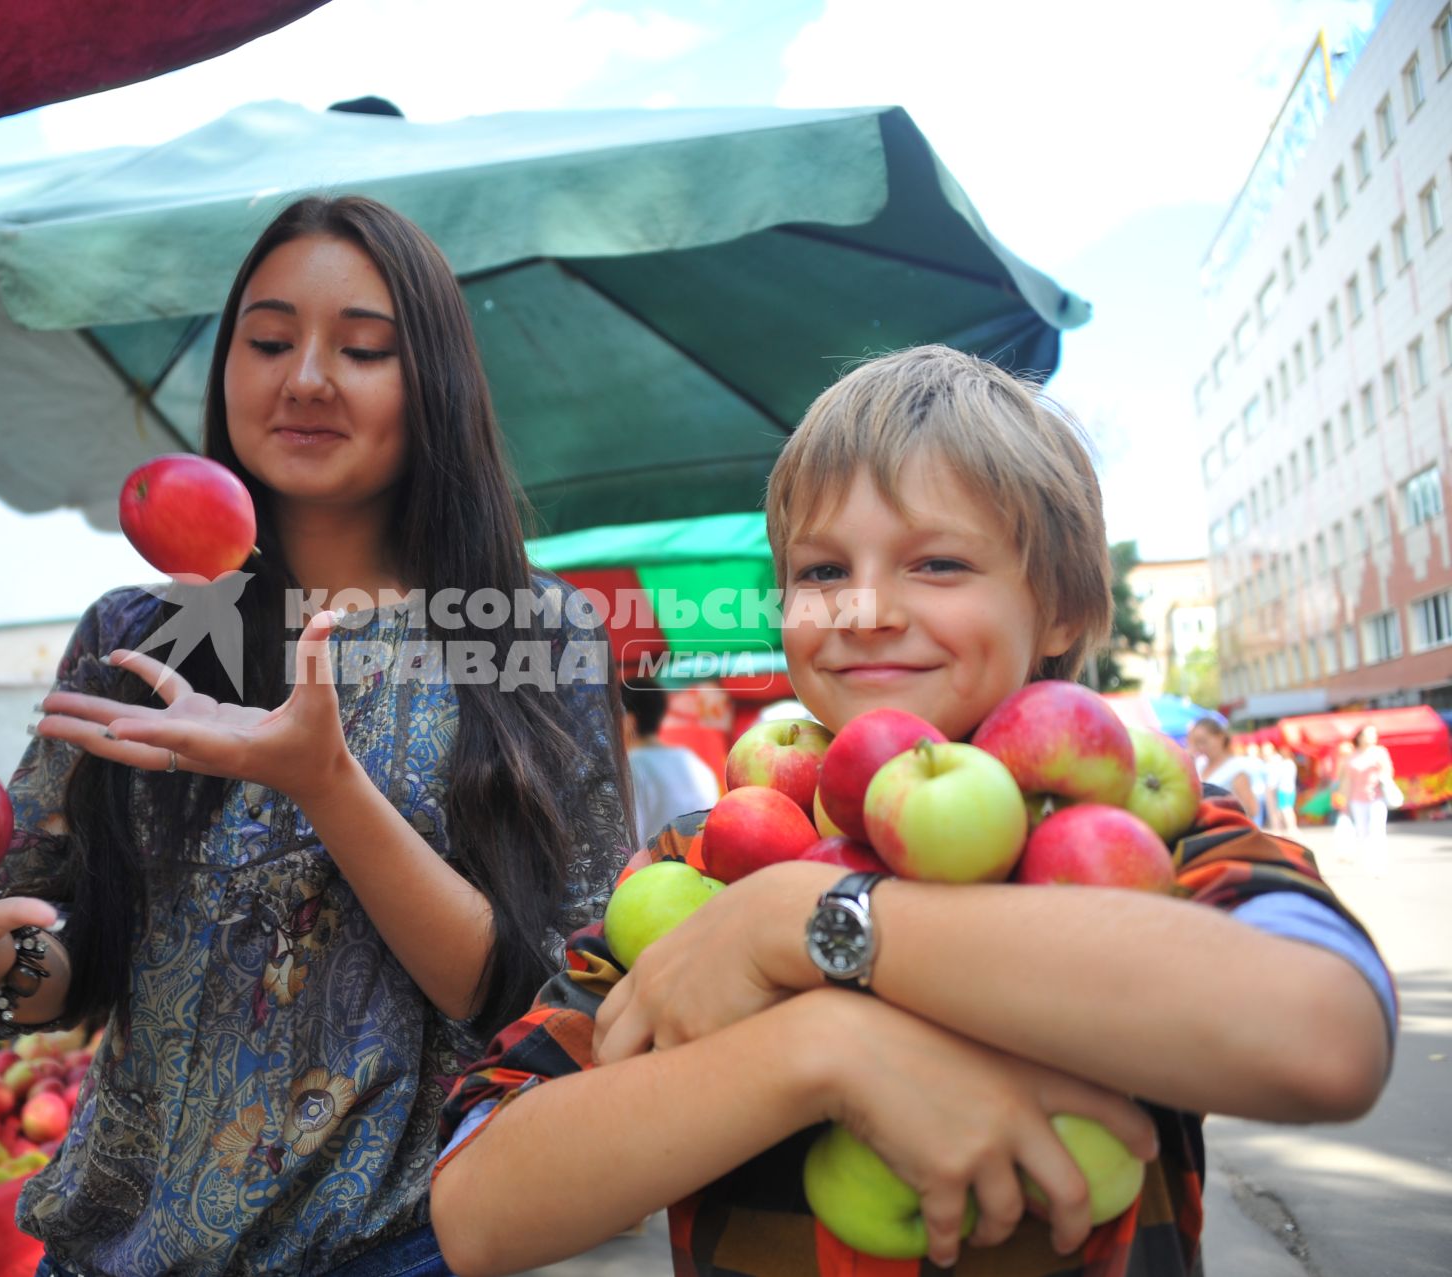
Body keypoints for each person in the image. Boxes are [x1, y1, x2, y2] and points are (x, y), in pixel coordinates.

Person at [0, 195, 633, 1276]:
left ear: (434, 379)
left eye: (365, 348)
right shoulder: (137, 635)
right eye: (270, 340)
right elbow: (70, 954)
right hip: (115, 1249)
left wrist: (326, 782)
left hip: (400, 1250)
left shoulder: (534, 634)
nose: (305, 379)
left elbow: (553, 997)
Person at [428, 346, 1394, 1277]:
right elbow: (476, 1210)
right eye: (821, 572)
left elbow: (1327, 1038)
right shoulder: (712, 856)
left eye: (936, 563)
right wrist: (816, 1050)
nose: (865, 610)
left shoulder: (1142, 831)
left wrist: (814, 922)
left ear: (1058, 607)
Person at [619, 683, 722, 839]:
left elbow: (629, 838)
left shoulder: (632, 767)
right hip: (698, 857)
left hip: (654, 862)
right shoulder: (692, 761)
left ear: (629, 721)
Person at [1342, 725, 1398, 877]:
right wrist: (1344, 802)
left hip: (1376, 797)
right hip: (1357, 799)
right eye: (1368, 734)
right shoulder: (1352, 757)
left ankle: (1380, 865)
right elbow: (1347, 780)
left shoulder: (1380, 753)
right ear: (1359, 737)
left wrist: (1381, 771)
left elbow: (1389, 772)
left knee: (1377, 830)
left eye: (1374, 734)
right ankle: (1368, 864)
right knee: (1363, 832)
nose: (1372, 737)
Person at [1190, 717, 1258, 822]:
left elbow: (1252, 809)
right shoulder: (1200, 765)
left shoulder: (1236, 767)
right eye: (1197, 743)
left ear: (1220, 737)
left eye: (1204, 741)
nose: (1201, 747)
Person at [1261, 742, 1299, 831]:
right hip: (1287, 788)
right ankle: (1287, 827)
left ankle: (1291, 827)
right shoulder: (1288, 763)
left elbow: (1277, 778)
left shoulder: (1283, 763)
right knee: (1285, 809)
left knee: (1285, 809)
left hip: (1282, 788)